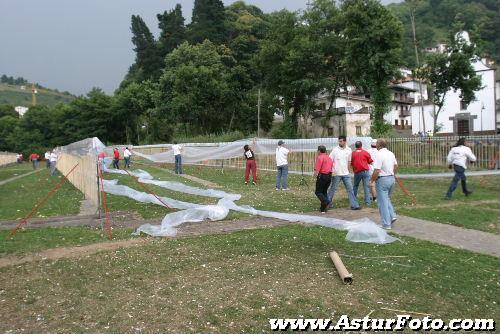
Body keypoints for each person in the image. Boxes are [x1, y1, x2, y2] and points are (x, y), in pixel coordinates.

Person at [370, 138, 398, 230]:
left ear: (379, 145)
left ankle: (386, 224)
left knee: (382, 203)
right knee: (386, 199)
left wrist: (372, 181)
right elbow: (396, 166)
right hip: (391, 178)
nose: (375, 144)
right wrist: (392, 173)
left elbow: (377, 170)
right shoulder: (391, 153)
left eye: (376, 143)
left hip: (382, 179)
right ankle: (392, 216)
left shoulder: (379, 154)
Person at [327, 135, 360, 210]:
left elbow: (349, 161)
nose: (340, 142)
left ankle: (354, 205)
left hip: (346, 174)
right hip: (337, 173)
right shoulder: (335, 150)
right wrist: (332, 171)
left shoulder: (349, 150)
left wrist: (349, 170)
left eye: (341, 141)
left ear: (345, 141)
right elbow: (329, 160)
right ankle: (327, 203)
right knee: (333, 189)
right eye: (339, 141)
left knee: (350, 189)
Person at [351, 141, 373, 206]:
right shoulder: (365, 152)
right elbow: (370, 161)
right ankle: (368, 202)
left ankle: (353, 200)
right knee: (366, 187)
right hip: (365, 171)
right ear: (361, 145)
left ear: (355, 146)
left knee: (355, 186)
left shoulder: (353, 153)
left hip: (357, 172)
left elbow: (352, 162)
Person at [314, 145, 334, 213]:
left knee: (318, 192)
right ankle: (323, 209)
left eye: (317, 150)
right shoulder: (329, 158)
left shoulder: (320, 157)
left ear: (319, 151)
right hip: (329, 176)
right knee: (324, 192)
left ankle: (327, 202)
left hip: (322, 176)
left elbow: (318, 168)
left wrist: (315, 175)